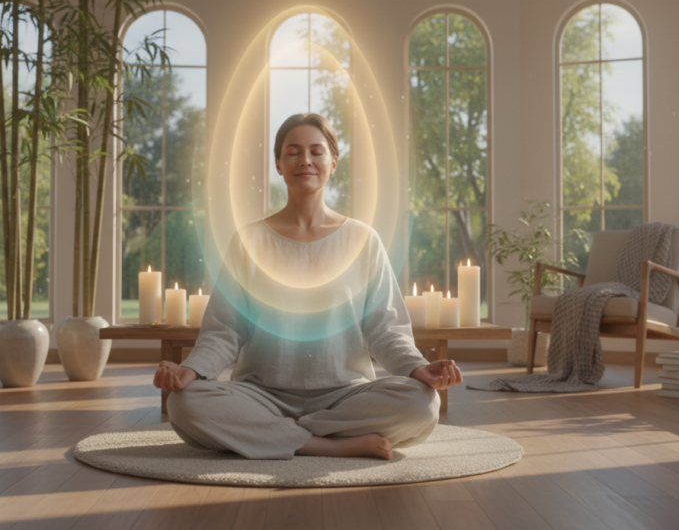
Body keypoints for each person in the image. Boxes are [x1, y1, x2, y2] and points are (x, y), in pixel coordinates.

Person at [153, 113, 462, 460]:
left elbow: (386, 330)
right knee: (185, 404)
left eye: (316, 151)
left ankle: (275, 436)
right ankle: (329, 444)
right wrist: (189, 371)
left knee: (422, 402)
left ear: (333, 163)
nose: (305, 160)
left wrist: (420, 369)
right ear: (279, 165)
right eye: (293, 152)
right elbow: (224, 329)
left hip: (346, 396)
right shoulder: (249, 240)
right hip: (261, 395)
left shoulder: (363, 240)